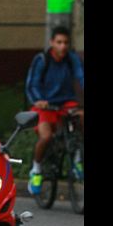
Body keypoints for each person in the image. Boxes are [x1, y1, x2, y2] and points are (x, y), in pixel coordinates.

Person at [25, 25, 84, 195]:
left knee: (82, 117)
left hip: (66, 104)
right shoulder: (42, 60)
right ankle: (36, 170)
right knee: (46, 136)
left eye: (66, 42)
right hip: (44, 105)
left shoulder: (71, 58)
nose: (63, 46)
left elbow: (81, 76)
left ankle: (77, 157)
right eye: (59, 42)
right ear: (52, 43)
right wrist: (39, 100)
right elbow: (32, 84)